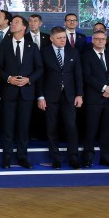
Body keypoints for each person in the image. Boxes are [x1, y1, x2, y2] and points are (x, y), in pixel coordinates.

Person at [0, 16, 43, 169]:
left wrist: (29, 80)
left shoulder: (32, 46)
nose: (12, 24)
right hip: (9, 92)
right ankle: (7, 157)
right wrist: (9, 78)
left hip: (26, 93)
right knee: (8, 126)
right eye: (12, 22)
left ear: (24, 27)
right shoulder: (4, 45)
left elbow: (40, 69)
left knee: (24, 127)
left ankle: (22, 156)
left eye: (16, 22)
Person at [38, 26, 84, 169]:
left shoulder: (74, 52)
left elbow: (78, 75)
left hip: (69, 96)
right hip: (50, 96)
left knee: (71, 127)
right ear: (52, 38)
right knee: (51, 128)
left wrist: (79, 94)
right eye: (59, 38)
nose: (63, 40)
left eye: (64, 37)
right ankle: (56, 158)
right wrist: (40, 96)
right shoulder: (44, 52)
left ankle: (74, 157)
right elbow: (40, 76)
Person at [81, 31, 109, 168]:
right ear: (92, 41)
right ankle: (88, 157)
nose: (100, 41)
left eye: (102, 39)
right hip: (94, 99)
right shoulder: (86, 56)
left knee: (107, 130)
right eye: (97, 39)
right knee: (91, 130)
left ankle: (106, 157)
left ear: (106, 41)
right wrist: (104, 88)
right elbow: (87, 76)